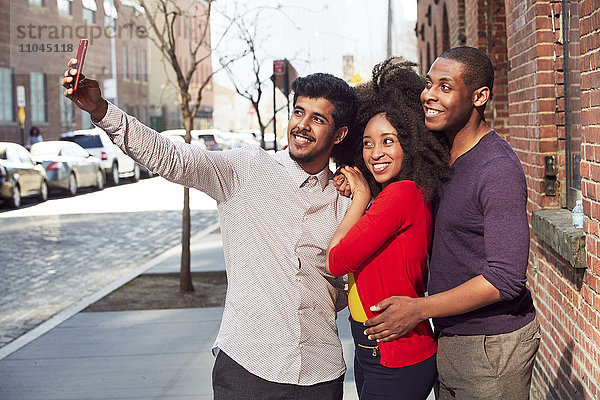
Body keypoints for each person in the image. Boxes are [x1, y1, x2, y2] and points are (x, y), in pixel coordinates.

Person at [61, 60, 358, 399]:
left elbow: (342, 284)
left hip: (321, 375)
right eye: (298, 113)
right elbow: (170, 156)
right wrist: (101, 111)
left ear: (339, 134)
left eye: (317, 119)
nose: (302, 126)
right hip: (249, 368)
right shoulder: (246, 168)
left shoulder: (345, 199)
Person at [362, 47, 540, 399]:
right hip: (449, 337)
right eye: (428, 84)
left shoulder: (497, 169)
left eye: (445, 87)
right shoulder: (440, 156)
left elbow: (505, 279)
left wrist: (418, 309)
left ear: (479, 96)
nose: (429, 95)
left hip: (491, 346)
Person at [326, 59, 448, 400]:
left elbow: (335, 261)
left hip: (395, 355)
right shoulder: (397, 193)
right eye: (367, 143)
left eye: (388, 141)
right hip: (374, 350)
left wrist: (361, 194)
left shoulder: (401, 194)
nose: (375, 153)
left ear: (409, 143)